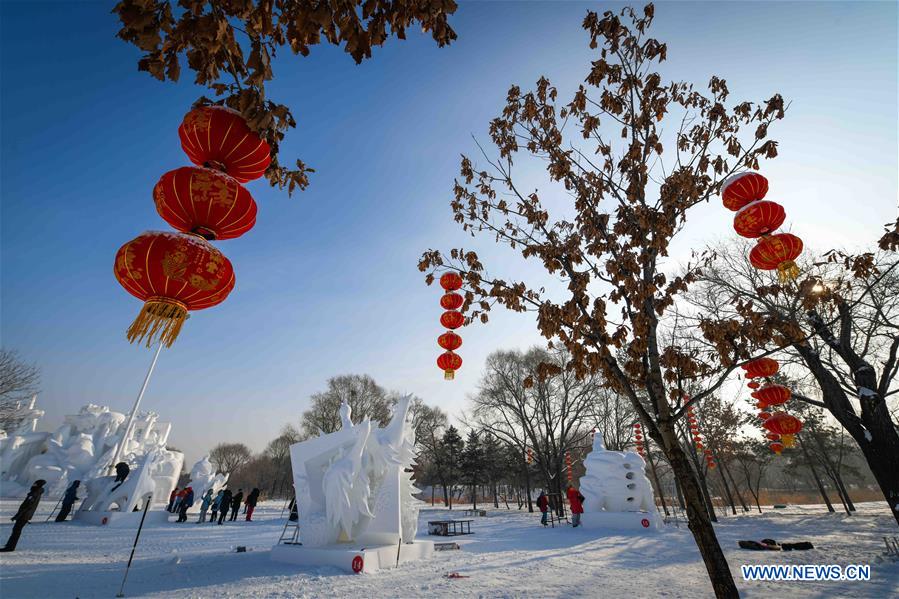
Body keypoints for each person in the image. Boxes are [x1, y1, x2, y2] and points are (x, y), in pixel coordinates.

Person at [2, 479, 46, 552]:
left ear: (38, 485)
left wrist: (17, 515)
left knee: (16, 531)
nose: (33, 485)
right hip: (26, 515)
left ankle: (10, 547)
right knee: (16, 530)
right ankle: (10, 546)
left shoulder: (34, 493)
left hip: (24, 515)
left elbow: (26, 506)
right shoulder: (37, 492)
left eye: (35, 484)